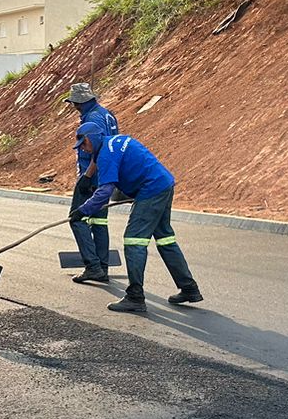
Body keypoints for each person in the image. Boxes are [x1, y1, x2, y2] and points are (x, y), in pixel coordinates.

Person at [73, 122, 203, 314]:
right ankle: (189, 288)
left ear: (90, 138)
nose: (83, 149)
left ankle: (135, 296)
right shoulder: (113, 142)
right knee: (166, 239)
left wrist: (82, 210)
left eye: (83, 144)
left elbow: (105, 191)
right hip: (163, 183)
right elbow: (129, 168)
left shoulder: (106, 155)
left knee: (134, 240)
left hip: (150, 190)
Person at [62, 82, 119, 284]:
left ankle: (93, 266)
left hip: (93, 177)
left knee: (77, 219)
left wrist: (87, 177)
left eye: (75, 103)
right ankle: (102, 267)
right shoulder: (106, 114)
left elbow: (100, 149)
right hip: (105, 176)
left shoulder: (94, 119)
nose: (73, 107)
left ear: (81, 102)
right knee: (99, 222)